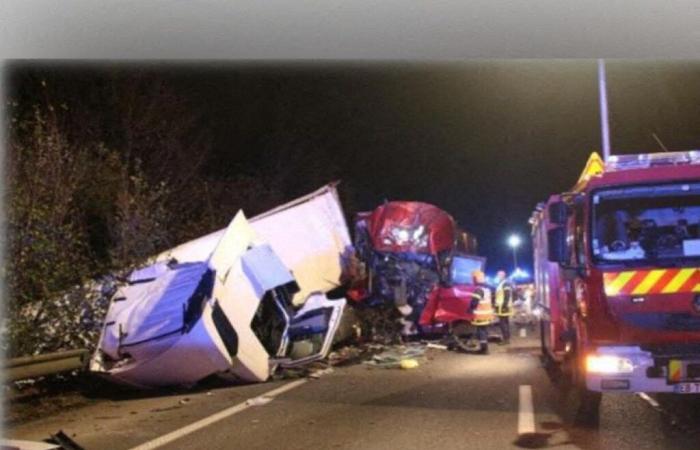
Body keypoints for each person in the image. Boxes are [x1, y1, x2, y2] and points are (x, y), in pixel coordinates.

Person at [469, 270, 495, 354]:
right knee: (483, 331)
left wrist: (470, 309)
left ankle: (484, 350)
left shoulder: (478, 290)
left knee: (481, 332)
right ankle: (484, 347)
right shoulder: (486, 289)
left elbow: (474, 302)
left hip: (481, 315)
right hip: (487, 314)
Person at [493, 270, 515, 345]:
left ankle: (506, 339)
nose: (498, 276)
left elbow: (507, 295)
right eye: (498, 275)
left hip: (503, 306)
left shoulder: (505, 283)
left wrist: (504, 305)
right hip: (501, 306)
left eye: (499, 275)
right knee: (505, 322)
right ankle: (507, 338)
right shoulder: (501, 283)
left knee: (503, 323)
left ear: (503, 275)